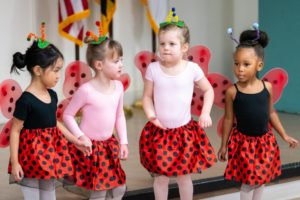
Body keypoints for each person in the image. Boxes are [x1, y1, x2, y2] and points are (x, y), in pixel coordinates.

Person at [139, 8, 216, 200]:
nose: (165, 48)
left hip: (183, 132)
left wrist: (205, 113)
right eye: (162, 43)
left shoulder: (192, 69)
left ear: (184, 47)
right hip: (160, 131)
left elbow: (208, 90)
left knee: (184, 176)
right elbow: (147, 97)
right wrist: (151, 115)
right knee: (161, 178)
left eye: (172, 44)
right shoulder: (153, 69)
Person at [9, 23, 90, 200]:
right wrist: (15, 163)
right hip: (30, 158)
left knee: (49, 194)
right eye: (55, 70)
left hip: (49, 155)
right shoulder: (26, 100)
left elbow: (55, 124)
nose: (59, 75)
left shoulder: (52, 95)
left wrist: (76, 140)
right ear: (38, 70)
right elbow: (15, 131)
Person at [218, 24, 299, 200]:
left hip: (264, 143)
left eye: (246, 64)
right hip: (243, 145)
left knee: (261, 179)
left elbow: (271, 113)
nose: (240, 69)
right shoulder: (232, 91)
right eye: (236, 63)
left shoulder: (267, 87)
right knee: (247, 182)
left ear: (259, 65)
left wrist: (284, 135)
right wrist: (224, 145)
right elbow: (228, 120)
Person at [63, 22, 129, 200]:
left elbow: (119, 114)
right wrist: (80, 136)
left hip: (109, 145)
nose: (121, 64)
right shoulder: (86, 90)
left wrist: (123, 141)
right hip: (91, 149)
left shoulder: (118, 86)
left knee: (119, 188)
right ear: (99, 65)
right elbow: (67, 115)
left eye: (121, 59)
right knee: (99, 191)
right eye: (116, 61)